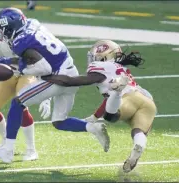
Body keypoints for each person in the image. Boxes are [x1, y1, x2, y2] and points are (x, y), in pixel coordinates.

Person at [0, 7, 110, 163]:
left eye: (4, 30)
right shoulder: (32, 24)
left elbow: (44, 68)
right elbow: (36, 57)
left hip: (58, 78)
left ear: (10, 28)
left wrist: (17, 69)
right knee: (59, 121)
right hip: (70, 70)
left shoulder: (20, 42)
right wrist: (11, 62)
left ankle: (8, 151)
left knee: (17, 103)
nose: (3, 34)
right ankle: (93, 128)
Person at [42, 40, 157, 173]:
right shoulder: (120, 67)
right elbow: (106, 101)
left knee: (111, 116)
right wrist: (95, 116)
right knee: (138, 132)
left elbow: (75, 81)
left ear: (104, 56)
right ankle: (138, 147)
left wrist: (49, 77)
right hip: (147, 101)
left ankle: (117, 92)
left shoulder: (100, 67)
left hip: (127, 98)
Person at [0, 25, 52, 161]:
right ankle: (6, 144)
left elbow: (46, 66)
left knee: (20, 105)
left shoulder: (30, 38)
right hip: (9, 73)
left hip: (29, 73)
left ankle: (31, 150)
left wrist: (47, 97)